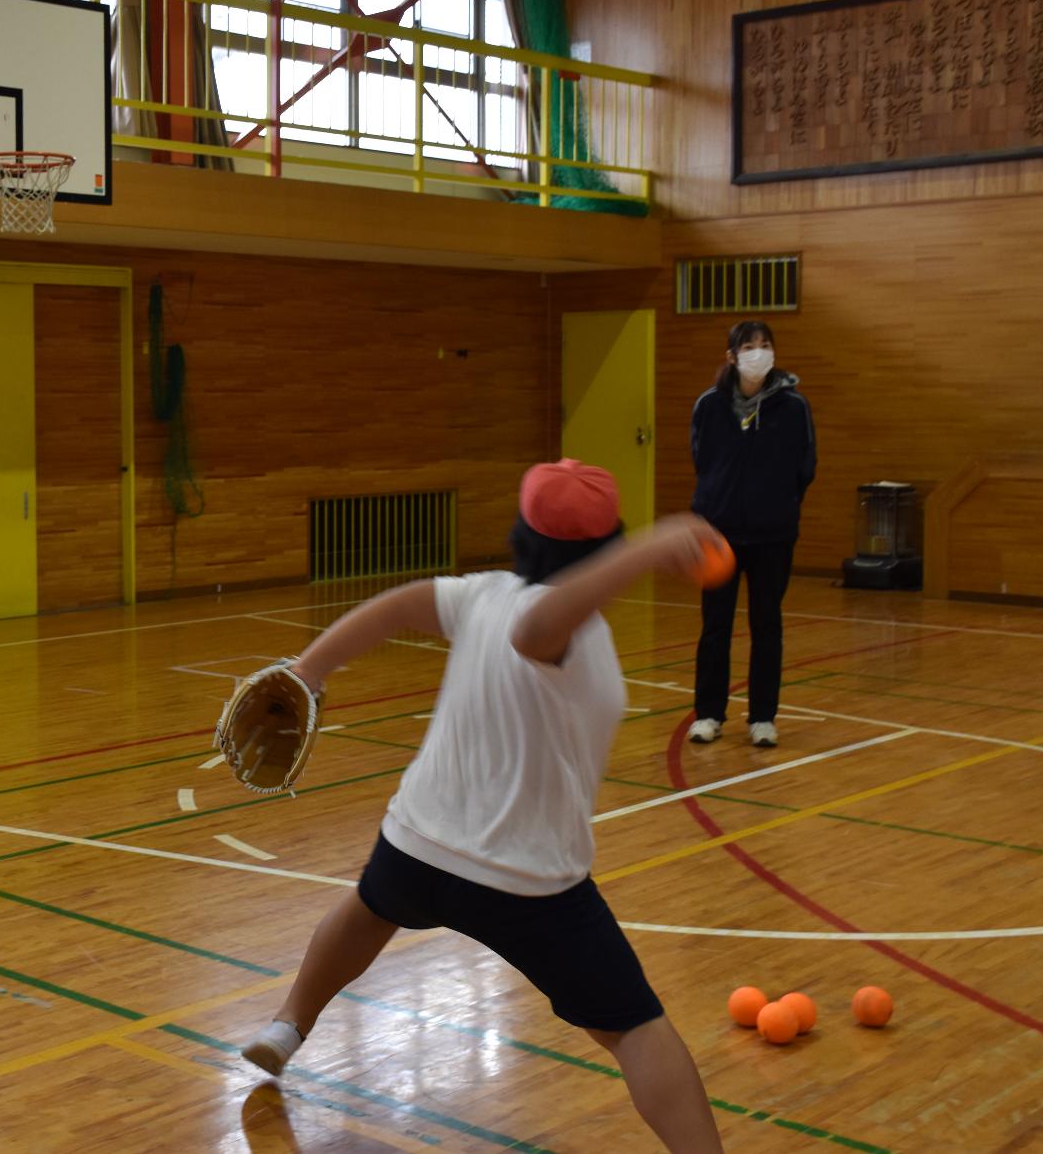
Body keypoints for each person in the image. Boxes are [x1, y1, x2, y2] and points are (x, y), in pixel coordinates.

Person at [239, 461, 725, 1154]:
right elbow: (536, 628)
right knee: (635, 1027)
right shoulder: (558, 629)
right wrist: (646, 550)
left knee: (366, 912)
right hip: (527, 886)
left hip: (419, 847)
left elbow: (394, 607)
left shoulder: (483, 594)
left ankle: (287, 1024)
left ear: (521, 535)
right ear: (606, 547)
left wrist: (308, 669)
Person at [686, 320, 816, 748]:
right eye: (748, 346)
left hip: (773, 534)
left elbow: (805, 467)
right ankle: (708, 714)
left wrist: (775, 502)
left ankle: (763, 717)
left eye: (764, 345)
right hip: (719, 535)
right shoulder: (709, 405)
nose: (757, 353)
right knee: (714, 626)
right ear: (732, 356)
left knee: (767, 625)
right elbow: (701, 459)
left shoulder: (794, 407)